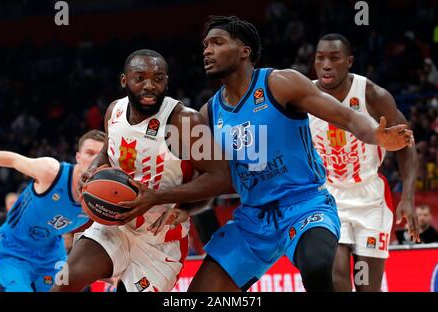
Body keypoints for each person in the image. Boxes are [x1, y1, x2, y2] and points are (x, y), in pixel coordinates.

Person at [152, 15, 412, 292]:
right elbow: (215, 180)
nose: (207, 50)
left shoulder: (280, 83)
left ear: (244, 51)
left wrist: (375, 135)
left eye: (217, 42)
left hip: (305, 206)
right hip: (253, 219)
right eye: (205, 45)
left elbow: (347, 117)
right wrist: (184, 207)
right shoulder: (208, 114)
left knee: (317, 266)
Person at [51, 49, 231, 292]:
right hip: (116, 224)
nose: (150, 86)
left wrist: (161, 199)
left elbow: (220, 177)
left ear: (166, 82)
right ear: (125, 81)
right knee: (66, 281)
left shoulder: (185, 121)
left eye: (158, 79)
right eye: (140, 78)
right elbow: (107, 152)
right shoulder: (113, 112)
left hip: (160, 238)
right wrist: (91, 172)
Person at [308, 33, 420, 292]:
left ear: (349, 62)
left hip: (370, 199)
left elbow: (406, 145)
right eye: (320, 58)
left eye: (334, 58)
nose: (325, 64)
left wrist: (408, 197)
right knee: (336, 277)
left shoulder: (372, 95)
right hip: (328, 197)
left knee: (367, 285)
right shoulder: (305, 95)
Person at [0, 129, 105, 291]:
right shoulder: (51, 171)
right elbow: (13, 159)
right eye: (90, 153)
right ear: (78, 157)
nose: (94, 159)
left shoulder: (104, 196)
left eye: (100, 155)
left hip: (52, 252)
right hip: (14, 246)